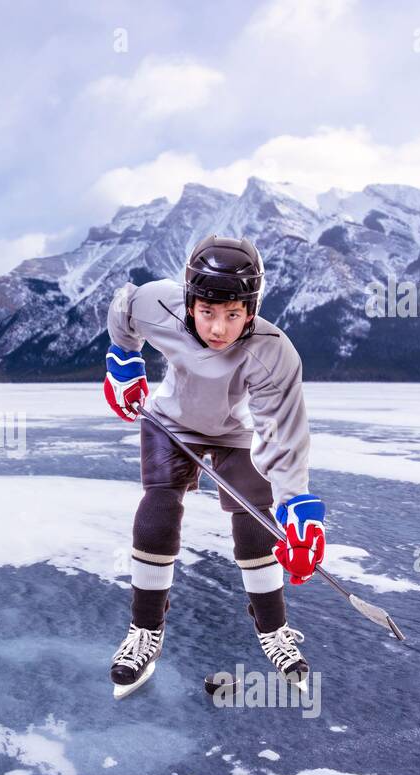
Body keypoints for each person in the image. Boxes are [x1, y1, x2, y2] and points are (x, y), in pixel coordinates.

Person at [103, 235, 325, 698]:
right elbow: (124, 308)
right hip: (171, 423)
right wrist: (123, 359)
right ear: (189, 301)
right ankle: (145, 630)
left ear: (251, 307)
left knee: (255, 520)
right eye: (207, 312)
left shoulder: (272, 353)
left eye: (233, 314)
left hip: (237, 433)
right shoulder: (157, 304)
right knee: (158, 510)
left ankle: (272, 628)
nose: (218, 328)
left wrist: (296, 506)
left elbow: (283, 433)